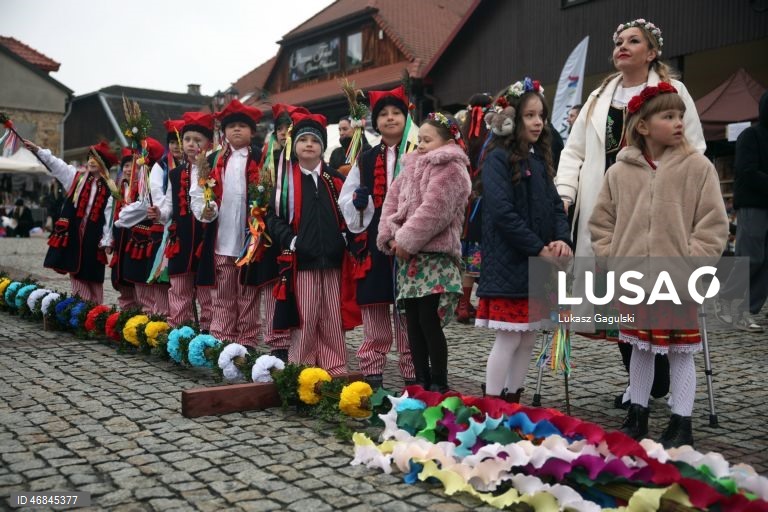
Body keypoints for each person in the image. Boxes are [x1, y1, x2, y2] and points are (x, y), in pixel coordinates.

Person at [554, 18, 706, 409]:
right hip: (605, 210)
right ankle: (640, 380)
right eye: (619, 41)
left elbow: (695, 148)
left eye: (633, 41)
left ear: (652, 52)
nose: (621, 46)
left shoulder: (674, 92)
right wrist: (565, 193)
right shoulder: (600, 96)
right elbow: (574, 152)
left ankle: (662, 380)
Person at [589, 83, 728, 447]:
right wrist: (611, 258)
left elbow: (713, 224)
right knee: (640, 346)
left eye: (680, 115)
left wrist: (691, 262)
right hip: (634, 277)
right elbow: (601, 222)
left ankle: (682, 422)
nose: (679, 122)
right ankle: (638, 412)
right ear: (643, 126)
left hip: (678, 278)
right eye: (668, 116)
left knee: (681, 351)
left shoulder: (697, 167)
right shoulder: (619, 173)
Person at [475, 79, 572, 403]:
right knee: (508, 338)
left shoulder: (539, 158)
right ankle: (492, 403)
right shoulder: (497, 158)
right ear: (512, 118)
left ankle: (513, 399)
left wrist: (561, 240)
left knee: (528, 338)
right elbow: (502, 213)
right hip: (510, 264)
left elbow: (555, 204)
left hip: (536, 264)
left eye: (541, 116)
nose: (537, 122)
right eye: (529, 115)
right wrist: (538, 248)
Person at [377, 112, 471, 393]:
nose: (420, 145)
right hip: (410, 258)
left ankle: (439, 382)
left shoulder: (452, 169)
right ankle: (420, 381)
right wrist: (390, 236)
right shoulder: (411, 167)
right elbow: (391, 202)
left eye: (427, 140)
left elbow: (435, 211)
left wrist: (405, 240)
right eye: (419, 139)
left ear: (447, 141)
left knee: (430, 322)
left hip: (434, 258)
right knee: (413, 324)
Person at [267, 111, 355, 375]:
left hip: (333, 261)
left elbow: (350, 215)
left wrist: (343, 239)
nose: (309, 145)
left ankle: (335, 366)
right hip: (302, 261)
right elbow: (273, 218)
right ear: (294, 146)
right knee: (305, 317)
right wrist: (292, 240)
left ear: (322, 148)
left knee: (331, 318)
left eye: (315, 141)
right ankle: (300, 368)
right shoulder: (285, 182)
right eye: (303, 140)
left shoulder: (335, 179)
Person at [339, 85, 415, 389]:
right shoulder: (366, 159)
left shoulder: (417, 153)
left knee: (408, 313)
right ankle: (372, 371)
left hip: (411, 244)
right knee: (375, 309)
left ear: (406, 116)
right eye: (383, 114)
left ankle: (413, 371)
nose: (390, 118)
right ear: (375, 122)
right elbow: (347, 199)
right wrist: (360, 202)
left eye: (396, 112)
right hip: (374, 242)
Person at [191, 99, 264, 348]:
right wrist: (205, 211)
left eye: (242, 126)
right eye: (231, 126)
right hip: (221, 238)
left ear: (252, 131)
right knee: (222, 293)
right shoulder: (211, 161)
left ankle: (248, 340)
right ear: (224, 132)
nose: (236, 130)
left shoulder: (262, 159)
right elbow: (198, 196)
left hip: (250, 240)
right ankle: (221, 336)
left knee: (248, 294)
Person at [25, 140, 118, 304]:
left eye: (95, 158)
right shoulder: (77, 178)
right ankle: (81, 308)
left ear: (104, 164)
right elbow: (57, 165)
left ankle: (95, 309)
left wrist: (107, 239)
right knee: (76, 270)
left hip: (94, 236)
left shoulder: (110, 189)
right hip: (75, 233)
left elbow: (109, 216)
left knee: (94, 274)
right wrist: (38, 151)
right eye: (90, 157)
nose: (90, 161)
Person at [714, 91, 768, 332]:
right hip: (753, 205)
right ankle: (725, 298)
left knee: (766, 262)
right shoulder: (751, 135)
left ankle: (747, 310)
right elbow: (746, 171)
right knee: (750, 258)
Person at [160, 113, 214, 331]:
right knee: (179, 285)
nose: (192, 144)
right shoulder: (175, 174)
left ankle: (208, 329)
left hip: (205, 237)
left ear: (208, 144)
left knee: (206, 288)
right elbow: (168, 206)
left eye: (197, 140)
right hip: (181, 238)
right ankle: (180, 328)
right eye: (188, 140)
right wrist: (159, 213)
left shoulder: (213, 168)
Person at [114, 137, 168, 315]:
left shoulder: (153, 176)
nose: (134, 164)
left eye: (139, 156)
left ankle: (151, 318)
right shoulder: (138, 180)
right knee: (138, 279)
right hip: (137, 237)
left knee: (150, 282)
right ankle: (140, 318)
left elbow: (145, 204)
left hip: (152, 236)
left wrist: (123, 217)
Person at [456, 93, 493, 323]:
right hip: (484, 199)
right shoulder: (491, 136)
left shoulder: (462, 135)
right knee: (482, 255)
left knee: (470, 255)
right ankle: (484, 305)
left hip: (467, 202)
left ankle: (462, 304)